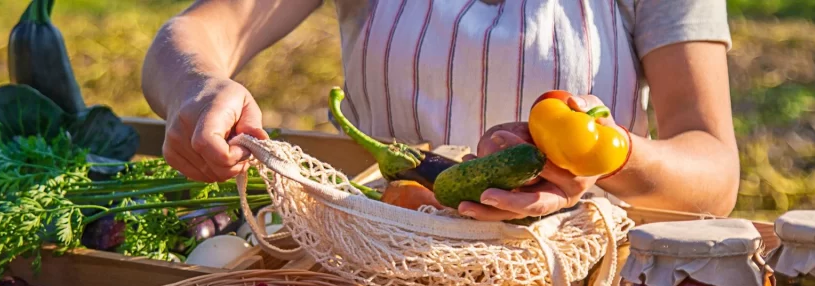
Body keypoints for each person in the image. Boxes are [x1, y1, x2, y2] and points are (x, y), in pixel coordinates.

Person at [142, 0, 739, 220]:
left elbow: (713, 169)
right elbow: (198, 31)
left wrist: (607, 156)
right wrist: (196, 88)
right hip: (381, 275)